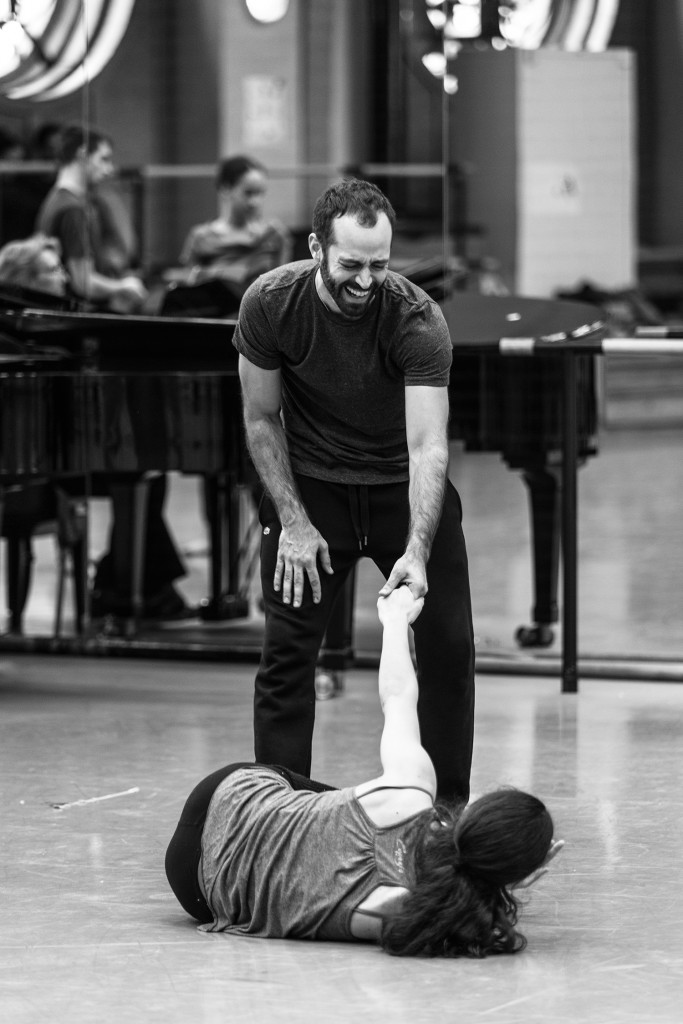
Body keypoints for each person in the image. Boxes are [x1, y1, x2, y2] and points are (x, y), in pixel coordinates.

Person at [234, 177, 475, 803]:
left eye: (379, 264)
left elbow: (428, 446)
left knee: (449, 653)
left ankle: (446, 819)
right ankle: (278, 816)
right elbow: (261, 418)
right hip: (313, 491)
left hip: (403, 489)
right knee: (287, 659)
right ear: (317, 248)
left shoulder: (416, 318)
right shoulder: (271, 302)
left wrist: (418, 550)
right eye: (350, 264)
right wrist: (292, 519)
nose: (366, 281)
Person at [165, 586, 564, 955]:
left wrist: (394, 620)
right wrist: (504, 876)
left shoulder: (410, 790)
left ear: (476, 814)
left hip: (224, 799)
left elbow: (397, 697)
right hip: (198, 889)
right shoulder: (421, 915)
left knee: (345, 808)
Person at [35, 124, 147, 313]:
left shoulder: (59, 200)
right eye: (104, 159)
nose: (109, 169)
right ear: (83, 153)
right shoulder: (72, 209)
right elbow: (83, 283)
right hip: (76, 318)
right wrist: (125, 286)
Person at [175, 154, 292, 315]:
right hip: (214, 320)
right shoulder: (201, 236)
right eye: (248, 193)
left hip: (259, 320)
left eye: (260, 194)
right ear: (225, 189)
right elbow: (188, 285)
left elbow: (283, 291)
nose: (255, 202)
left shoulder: (275, 235)